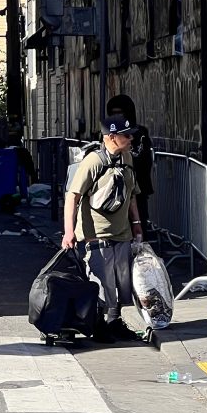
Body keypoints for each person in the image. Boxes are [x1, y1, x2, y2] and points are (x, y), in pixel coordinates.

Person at [61, 115, 144, 343]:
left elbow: (131, 195)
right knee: (101, 283)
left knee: (121, 283)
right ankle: (99, 325)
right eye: (126, 135)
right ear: (111, 137)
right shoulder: (93, 161)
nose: (131, 138)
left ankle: (114, 323)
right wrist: (69, 232)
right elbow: (73, 197)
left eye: (131, 134)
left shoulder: (127, 158)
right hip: (96, 235)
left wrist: (136, 225)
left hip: (122, 233)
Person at [106, 94, 154, 227]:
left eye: (120, 113)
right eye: (113, 113)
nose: (117, 116)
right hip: (114, 189)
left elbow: (142, 158)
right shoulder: (107, 133)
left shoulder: (140, 133)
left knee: (139, 225)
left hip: (137, 186)